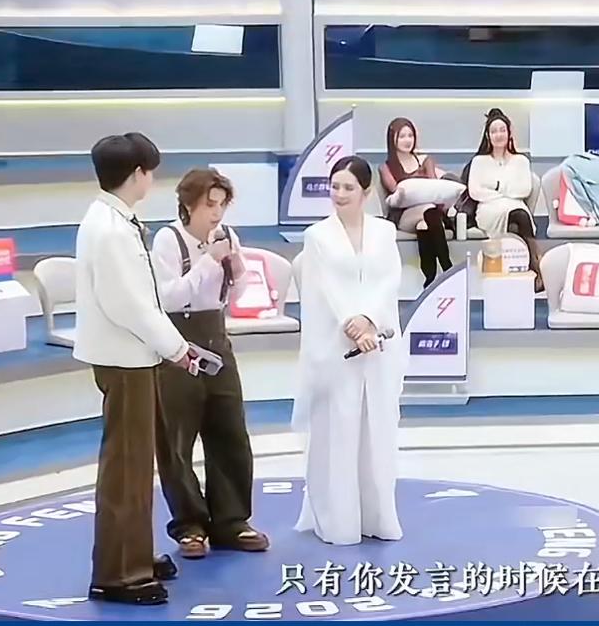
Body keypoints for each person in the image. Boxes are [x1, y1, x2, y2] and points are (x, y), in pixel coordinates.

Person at [73, 133, 198, 606]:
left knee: (136, 463)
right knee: (126, 468)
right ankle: (119, 574)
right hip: (124, 358)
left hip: (131, 356)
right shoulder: (109, 229)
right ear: (137, 174)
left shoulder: (112, 219)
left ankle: (135, 552)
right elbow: (129, 304)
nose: (153, 179)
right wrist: (176, 347)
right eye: (150, 171)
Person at [151, 168, 269, 559]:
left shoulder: (227, 236)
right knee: (176, 440)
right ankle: (190, 525)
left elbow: (237, 293)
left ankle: (232, 521)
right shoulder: (168, 240)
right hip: (178, 343)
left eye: (221, 205)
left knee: (230, 431)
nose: (216, 214)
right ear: (188, 205)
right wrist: (206, 262)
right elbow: (169, 298)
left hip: (217, 338)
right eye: (209, 205)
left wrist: (236, 269)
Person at [293, 155, 407, 546]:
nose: (339, 194)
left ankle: (377, 516)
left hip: (378, 343)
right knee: (337, 433)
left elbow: (389, 279)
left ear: (366, 192)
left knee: (377, 432)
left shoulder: (384, 232)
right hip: (335, 346)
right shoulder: (317, 236)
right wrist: (352, 323)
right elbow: (323, 289)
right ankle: (337, 520)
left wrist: (370, 319)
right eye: (335, 186)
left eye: (348, 187)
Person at [465, 108, 544, 291]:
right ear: (488, 136)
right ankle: (536, 270)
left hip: (515, 206)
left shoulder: (521, 161)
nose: (498, 135)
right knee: (518, 218)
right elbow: (475, 192)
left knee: (518, 219)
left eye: (502, 130)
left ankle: (524, 271)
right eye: (494, 131)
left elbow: (524, 189)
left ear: (509, 133)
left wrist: (494, 187)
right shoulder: (479, 161)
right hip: (488, 210)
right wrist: (505, 191)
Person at [379, 117, 454, 287]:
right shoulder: (386, 168)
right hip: (404, 215)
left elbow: (435, 188)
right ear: (392, 139)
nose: (407, 140)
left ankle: (430, 277)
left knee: (424, 224)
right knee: (428, 212)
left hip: (429, 213)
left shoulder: (425, 161)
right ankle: (447, 266)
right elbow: (395, 192)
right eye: (402, 136)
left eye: (410, 135)